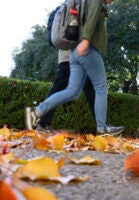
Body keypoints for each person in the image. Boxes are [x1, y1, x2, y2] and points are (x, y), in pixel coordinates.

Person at [25, 0, 124, 135]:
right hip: (87, 48)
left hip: (74, 50)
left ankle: (37, 112)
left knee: (72, 91)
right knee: (100, 88)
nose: (114, 1)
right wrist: (86, 40)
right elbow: (91, 20)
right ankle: (102, 129)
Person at [36, 50, 96, 132]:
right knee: (58, 88)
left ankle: (103, 126)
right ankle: (42, 123)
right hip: (69, 57)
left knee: (91, 92)